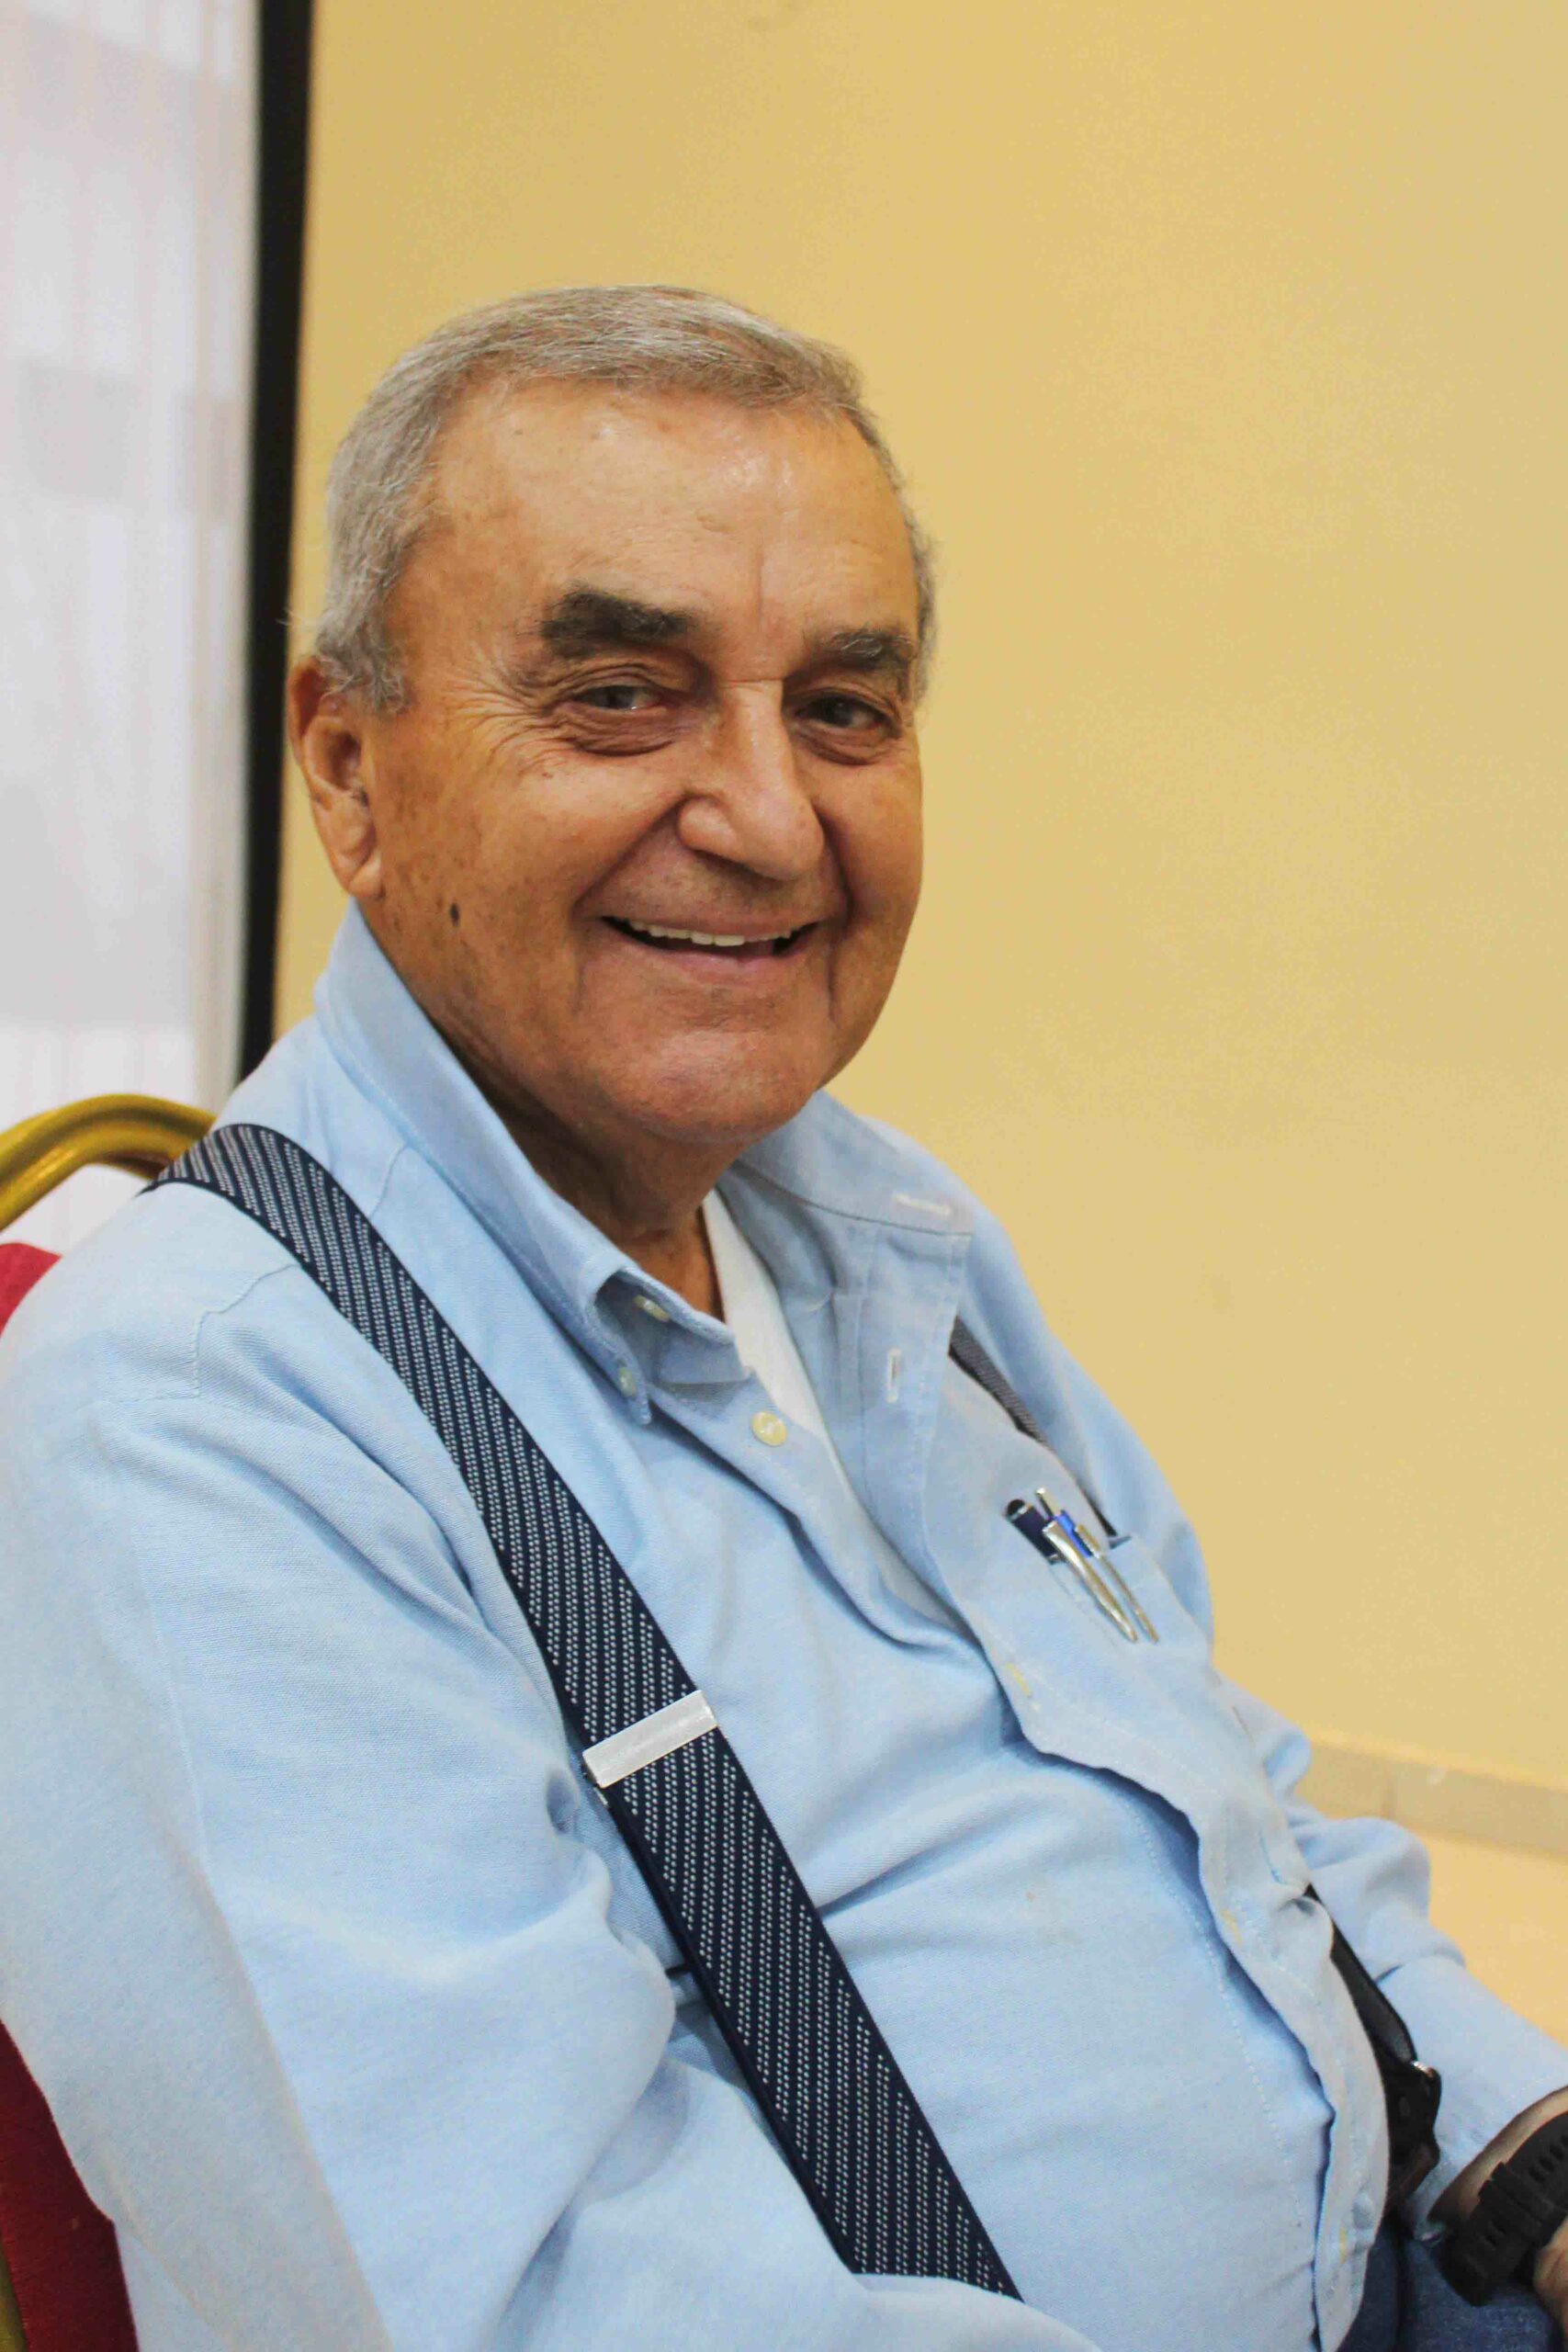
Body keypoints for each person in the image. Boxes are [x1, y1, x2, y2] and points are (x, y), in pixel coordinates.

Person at [0, 286, 1563, 2352]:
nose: (765, 819)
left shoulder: (879, 1228)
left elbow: (1222, 1800)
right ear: (349, 770)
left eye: (842, 708)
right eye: (619, 698)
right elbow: (522, 2303)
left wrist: (1530, 2160)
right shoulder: (197, 1415)